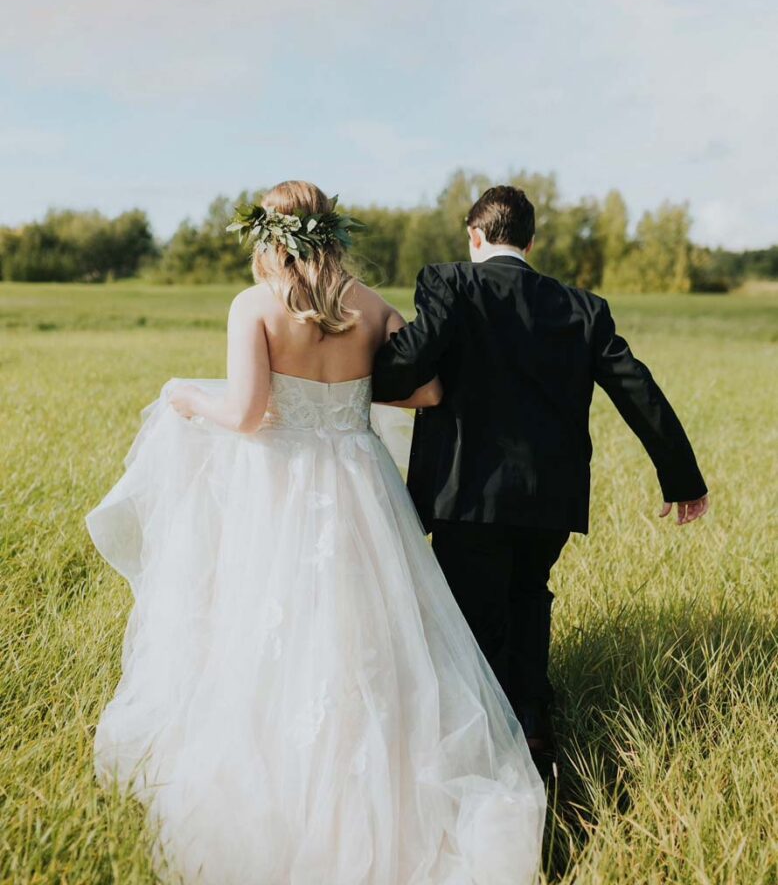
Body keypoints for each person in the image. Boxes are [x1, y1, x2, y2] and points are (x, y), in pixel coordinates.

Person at [86, 181, 546, 885]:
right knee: (377, 635)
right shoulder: (368, 306)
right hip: (360, 482)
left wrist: (184, 396)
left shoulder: (255, 308)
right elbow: (425, 391)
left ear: (269, 237)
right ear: (334, 233)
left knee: (275, 632)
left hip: (281, 489)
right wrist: (357, 391)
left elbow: (244, 413)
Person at [372, 185, 709, 774]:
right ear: (531, 242)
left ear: (474, 236)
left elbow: (407, 367)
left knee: (473, 625)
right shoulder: (582, 307)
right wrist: (682, 479)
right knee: (528, 599)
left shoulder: (451, 282)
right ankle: (532, 726)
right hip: (548, 500)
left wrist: (347, 369)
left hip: (466, 495)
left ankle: (485, 754)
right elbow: (638, 388)